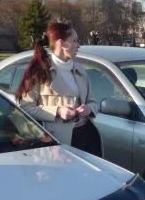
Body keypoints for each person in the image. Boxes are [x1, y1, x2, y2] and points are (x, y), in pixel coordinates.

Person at [15, 21, 101, 157]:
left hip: (87, 137)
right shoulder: (39, 72)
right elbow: (25, 107)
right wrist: (58, 111)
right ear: (62, 43)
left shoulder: (80, 70)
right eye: (74, 41)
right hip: (57, 142)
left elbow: (93, 102)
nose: (78, 45)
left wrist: (88, 109)